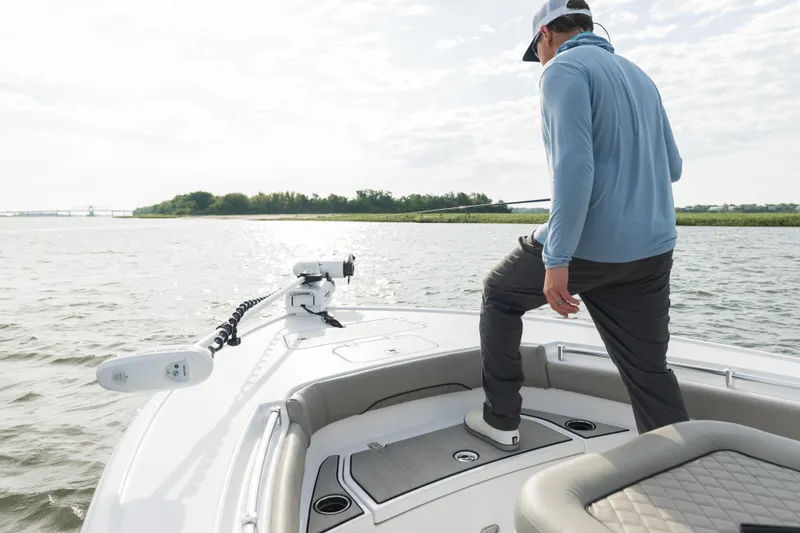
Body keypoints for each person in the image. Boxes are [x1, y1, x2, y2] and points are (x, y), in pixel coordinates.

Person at [463, 0, 690, 451]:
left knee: (500, 295)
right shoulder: (641, 76)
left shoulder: (562, 72)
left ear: (546, 35)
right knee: (649, 372)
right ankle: (683, 465)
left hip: (587, 249)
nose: (540, 61)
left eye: (537, 51)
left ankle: (501, 419)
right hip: (651, 252)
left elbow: (574, 169)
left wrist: (558, 258)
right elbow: (674, 167)